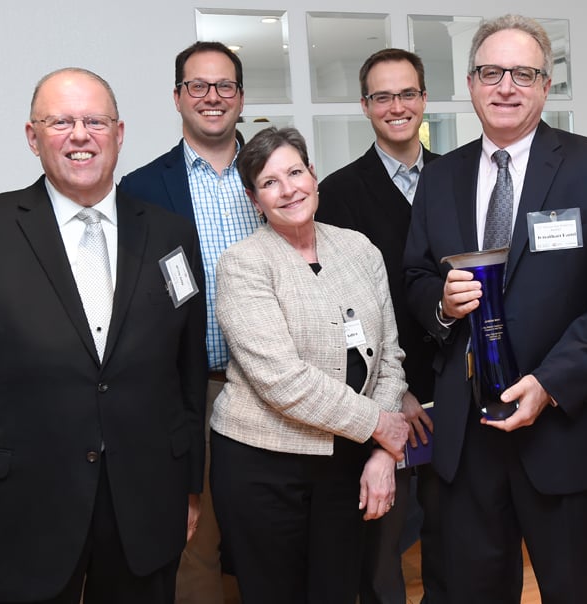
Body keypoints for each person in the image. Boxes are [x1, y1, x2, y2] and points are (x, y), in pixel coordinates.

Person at [0, 68, 207, 603]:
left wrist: (187, 488)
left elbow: (186, 373)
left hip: (143, 510)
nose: (80, 135)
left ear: (119, 132)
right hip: (14, 517)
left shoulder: (170, 233)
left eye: (95, 120)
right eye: (60, 121)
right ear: (31, 136)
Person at [403, 14, 587, 603]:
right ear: (471, 83)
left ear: (545, 85)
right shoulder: (439, 177)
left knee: (571, 590)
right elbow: (413, 273)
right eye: (492, 72)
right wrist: (440, 303)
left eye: (523, 73)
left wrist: (550, 382)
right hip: (468, 436)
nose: (506, 86)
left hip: (563, 431)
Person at [210, 126, 410, 603]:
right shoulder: (242, 263)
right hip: (263, 464)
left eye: (295, 172)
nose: (289, 189)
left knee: (339, 590)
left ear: (313, 175)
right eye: (270, 182)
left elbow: (390, 358)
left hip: (346, 459)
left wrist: (383, 453)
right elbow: (283, 382)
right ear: (253, 199)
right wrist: (382, 427)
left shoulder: (359, 248)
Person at [119, 41, 260, 604]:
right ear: (177, 96)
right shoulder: (141, 189)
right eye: (197, 86)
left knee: (271, 531)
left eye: (224, 86)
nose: (212, 97)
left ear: (241, 98)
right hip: (190, 390)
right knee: (194, 541)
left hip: (274, 387)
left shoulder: (278, 175)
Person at [316, 48, 445, 604]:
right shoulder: (340, 193)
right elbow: (342, 305)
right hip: (382, 391)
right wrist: (398, 395)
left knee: (457, 536)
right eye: (383, 96)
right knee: (381, 548)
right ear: (365, 105)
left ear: (424, 99)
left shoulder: (457, 176)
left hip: (459, 386)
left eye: (408, 93)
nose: (398, 106)